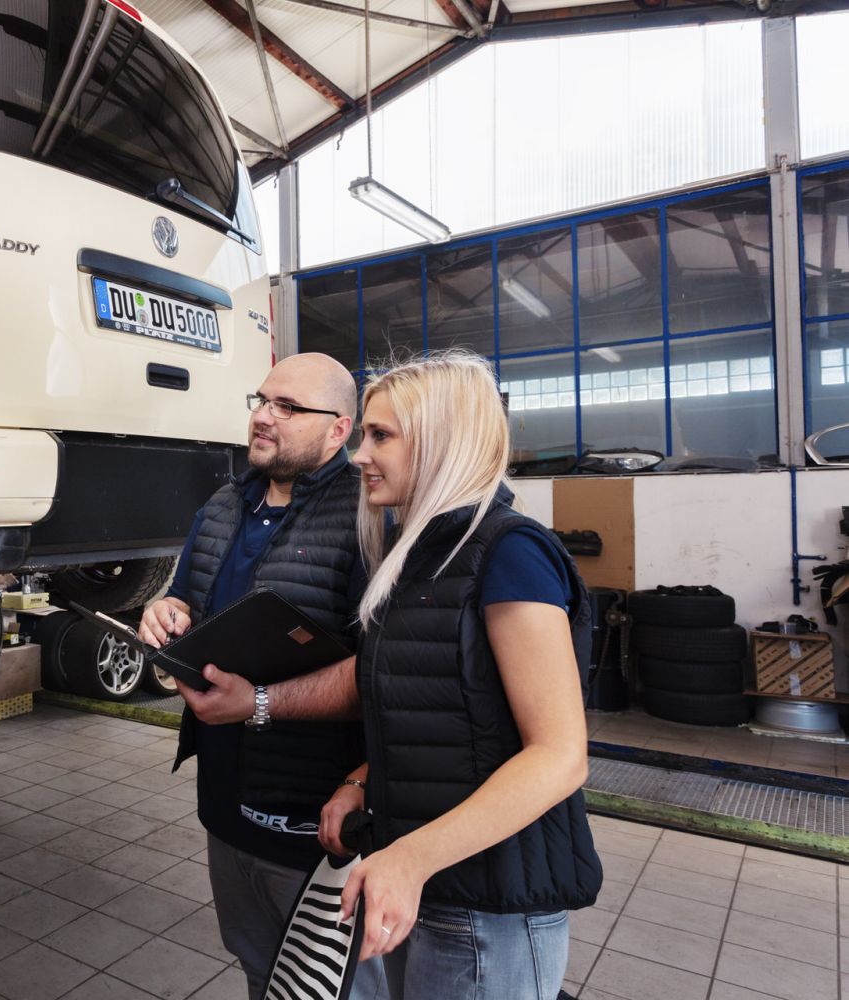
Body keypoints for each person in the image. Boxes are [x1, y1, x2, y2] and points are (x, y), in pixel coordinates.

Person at [180, 351, 602, 1000]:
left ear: (440, 441)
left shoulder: (510, 553)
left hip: (484, 900)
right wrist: (361, 780)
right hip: (421, 887)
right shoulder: (414, 558)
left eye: (380, 436)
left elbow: (560, 756)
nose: (357, 456)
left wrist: (412, 857)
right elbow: (432, 710)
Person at [137, 352, 384, 1000]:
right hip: (224, 806)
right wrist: (165, 610)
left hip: (313, 822)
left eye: (287, 407)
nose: (262, 417)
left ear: (338, 430)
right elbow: (187, 596)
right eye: (260, 400)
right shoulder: (222, 506)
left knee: (331, 989)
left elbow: (385, 672)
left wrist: (263, 704)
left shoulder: (364, 517)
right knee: (258, 971)